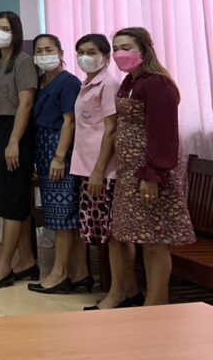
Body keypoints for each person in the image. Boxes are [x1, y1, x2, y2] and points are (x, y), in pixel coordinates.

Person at [109, 27, 195, 305]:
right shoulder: (130, 82)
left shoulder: (157, 84)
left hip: (151, 172)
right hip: (129, 172)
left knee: (155, 238)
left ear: (144, 50)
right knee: (142, 236)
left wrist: (153, 175)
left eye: (126, 48)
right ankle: (149, 301)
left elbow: (163, 133)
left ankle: (156, 303)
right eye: (115, 48)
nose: (119, 54)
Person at [72, 34, 141, 310]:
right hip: (88, 167)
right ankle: (129, 290)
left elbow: (111, 130)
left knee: (115, 235)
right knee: (108, 235)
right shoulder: (87, 84)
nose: (85, 57)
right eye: (80, 52)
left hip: (104, 171)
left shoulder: (108, 85)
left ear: (105, 57)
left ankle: (117, 294)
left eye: (91, 52)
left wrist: (99, 170)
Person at [0, 11, 39, 289]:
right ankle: (26, 261)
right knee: (5, 199)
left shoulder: (23, 62)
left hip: (16, 131)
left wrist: (14, 141)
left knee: (13, 198)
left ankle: (4, 266)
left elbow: (26, 103)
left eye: (6, 28)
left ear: (16, 32)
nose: (0, 33)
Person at [28, 34, 91, 294]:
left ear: (61, 52)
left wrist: (60, 156)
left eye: (49, 49)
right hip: (43, 150)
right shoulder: (41, 82)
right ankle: (80, 272)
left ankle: (60, 273)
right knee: (57, 213)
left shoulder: (68, 82)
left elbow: (70, 121)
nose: (44, 55)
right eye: (39, 50)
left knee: (64, 214)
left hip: (59, 151)